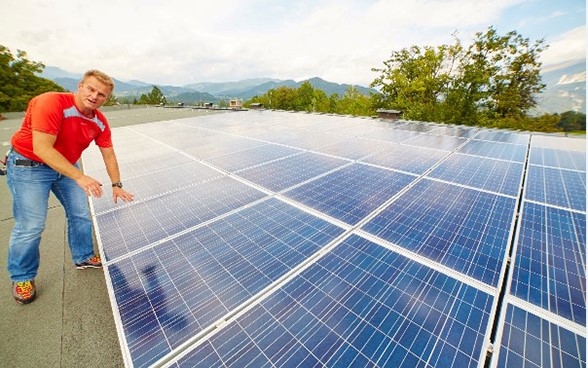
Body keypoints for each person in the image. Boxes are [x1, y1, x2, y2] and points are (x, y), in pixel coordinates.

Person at [6, 69, 134, 304]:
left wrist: (117, 184)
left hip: (65, 166)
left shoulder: (99, 121)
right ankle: (22, 277)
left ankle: (83, 256)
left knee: (80, 213)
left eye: (102, 94)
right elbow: (43, 149)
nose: (95, 96)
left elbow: (109, 154)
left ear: (106, 99)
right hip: (29, 166)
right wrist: (80, 177)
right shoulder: (51, 103)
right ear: (80, 86)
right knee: (31, 225)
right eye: (91, 89)